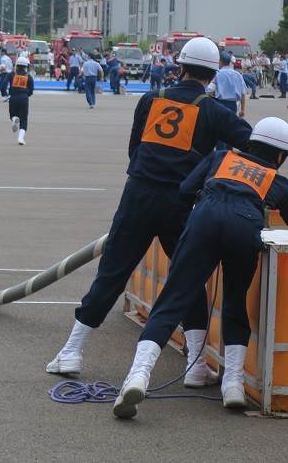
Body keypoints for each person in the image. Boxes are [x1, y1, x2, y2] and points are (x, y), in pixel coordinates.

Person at [46, 37, 252, 387]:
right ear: (212, 73)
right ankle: (197, 365)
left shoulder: (150, 99)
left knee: (112, 273)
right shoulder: (216, 110)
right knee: (187, 280)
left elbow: (134, 148)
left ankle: (71, 351)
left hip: (138, 195)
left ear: (180, 66)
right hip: (183, 204)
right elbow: (249, 141)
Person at [113, 117, 288, 418]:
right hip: (245, 227)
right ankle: (232, 385)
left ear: (251, 142)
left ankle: (138, 377)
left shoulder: (220, 157)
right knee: (235, 303)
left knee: (172, 302)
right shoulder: (277, 180)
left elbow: (184, 190)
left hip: (204, 219)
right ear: (280, 156)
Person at [208, 52, 247, 151]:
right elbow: (243, 93)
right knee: (230, 130)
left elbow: (209, 90)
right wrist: (242, 109)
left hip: (220, 103)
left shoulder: (218, 74)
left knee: (220, 131)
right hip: (233, 105)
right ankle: (228, 153)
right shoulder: (238, 74)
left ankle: (220, 154)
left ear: (220, 61)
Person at [8, 56, 34, 146]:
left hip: (13, 97)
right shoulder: (29, 77)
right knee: (24, 119)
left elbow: (3, 85)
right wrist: (26, 95)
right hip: (24, 98)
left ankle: (14, 119)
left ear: (17, 65)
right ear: (26, 66)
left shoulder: (12, 75)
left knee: (12, 115)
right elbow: (31, 90)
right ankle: (20, 138)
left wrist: (5, 93)